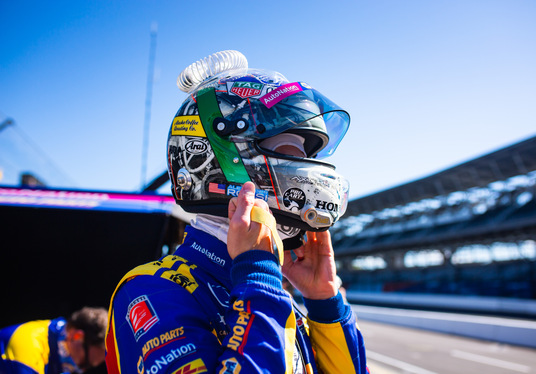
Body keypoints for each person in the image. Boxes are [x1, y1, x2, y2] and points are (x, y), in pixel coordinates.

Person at [105, 50, 368, 373]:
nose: (307, 170)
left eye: (307, 155)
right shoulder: (152, 291)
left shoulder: (275, 295)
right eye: (288, 152)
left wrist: (325, 305)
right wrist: (258, 275)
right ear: (223, 157)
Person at [0, 306, 108, 374]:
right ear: (77, 336)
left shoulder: (56, 336)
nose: (82, 370)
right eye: (85, 363)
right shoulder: (29, 353)